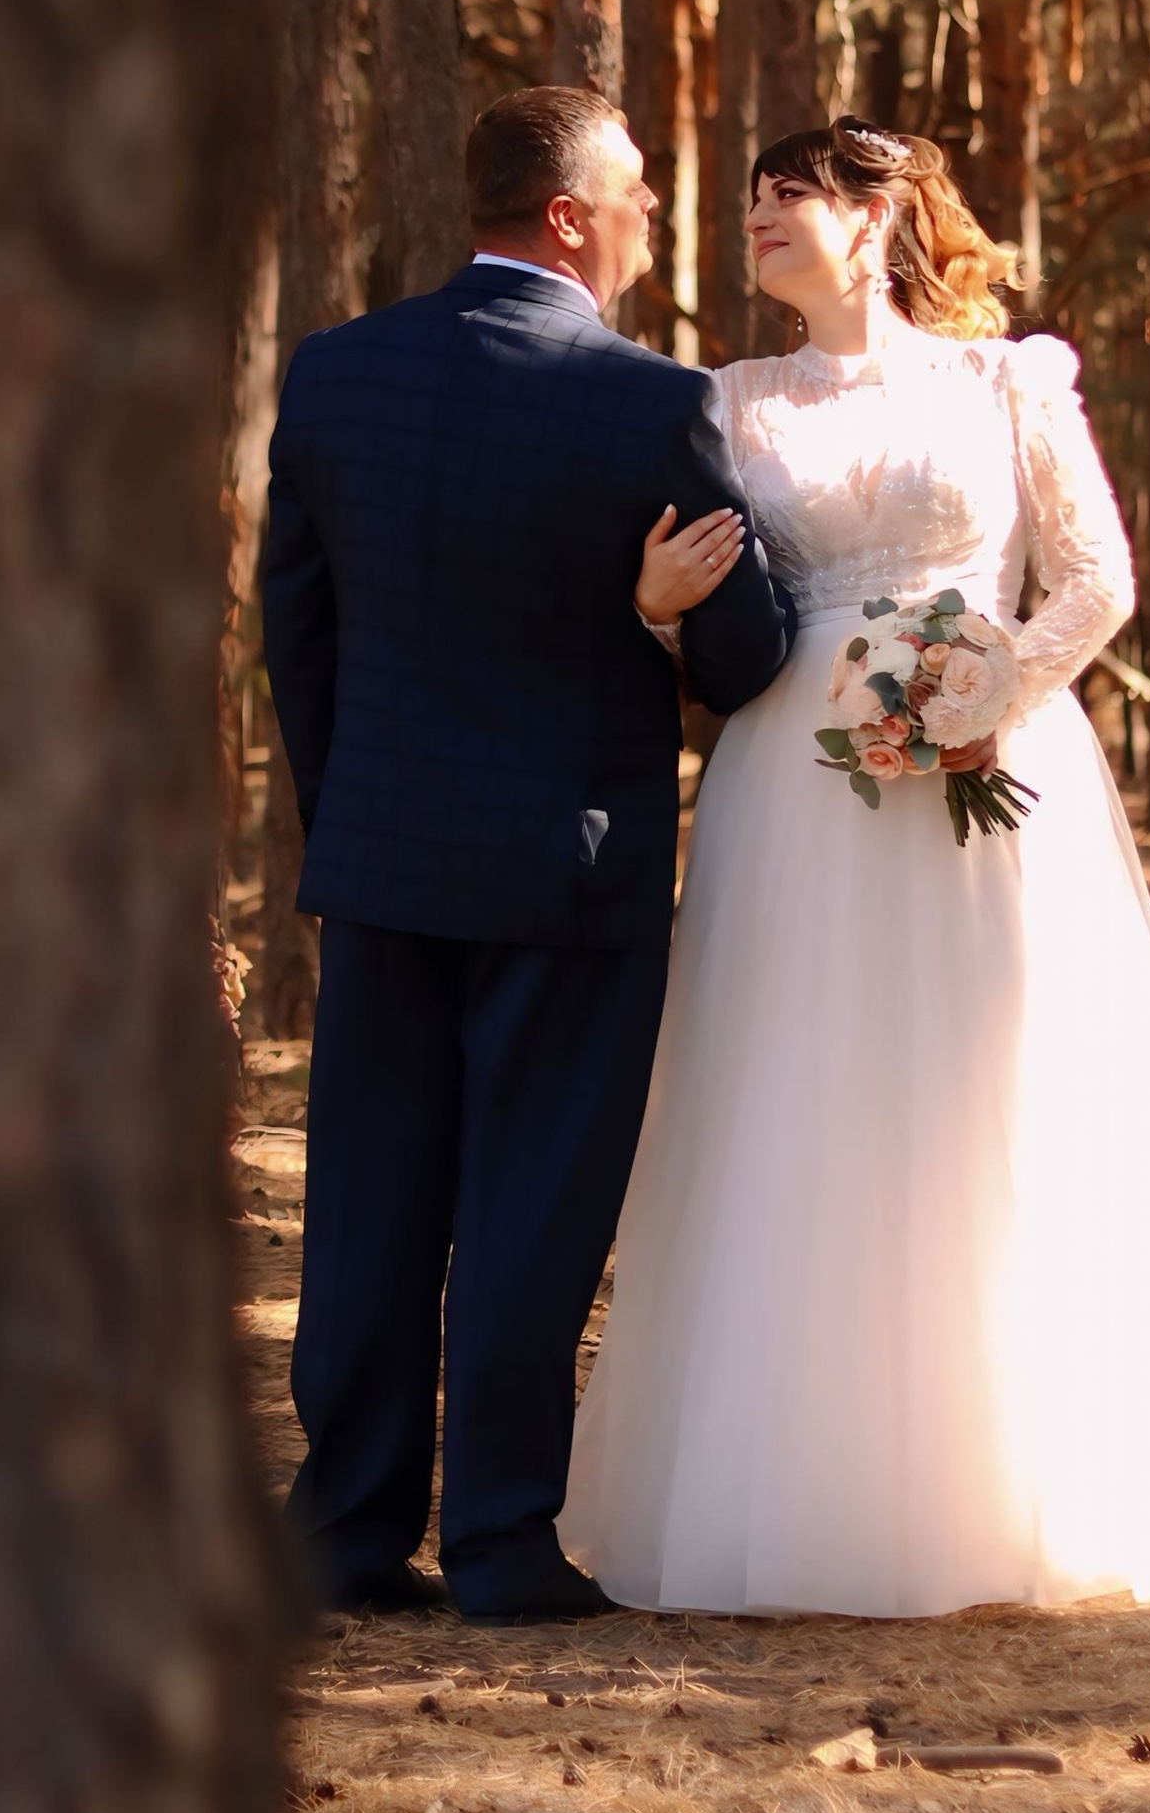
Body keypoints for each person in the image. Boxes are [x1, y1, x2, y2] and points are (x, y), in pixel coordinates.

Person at [564, 117, 1150, 1614]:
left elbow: (1099, 579)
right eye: (749, 196)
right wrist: (654, 606)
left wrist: (985, 691)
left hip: (989, 767)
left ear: (876, 219)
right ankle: (804, 1491)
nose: (754, 216)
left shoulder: (1016, 378)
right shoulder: (723, 403)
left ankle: (1034, 1477)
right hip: (790, 789)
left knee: (1004, 1090)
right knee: (797, 1098)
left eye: (788, 194)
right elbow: (708, 611)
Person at [260, 86, 794, 1622]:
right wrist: (663, 610)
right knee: (530, 1205)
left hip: (382, 860)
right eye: (632, 190)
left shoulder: (337, 376)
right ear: (568, 217)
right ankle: (499, 1543)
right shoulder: (652, 406)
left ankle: (344, 1537)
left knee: (368, 1201)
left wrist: (351, 803)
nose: (647, 214)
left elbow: (298, 630)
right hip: (572, 868)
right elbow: (748, 662)